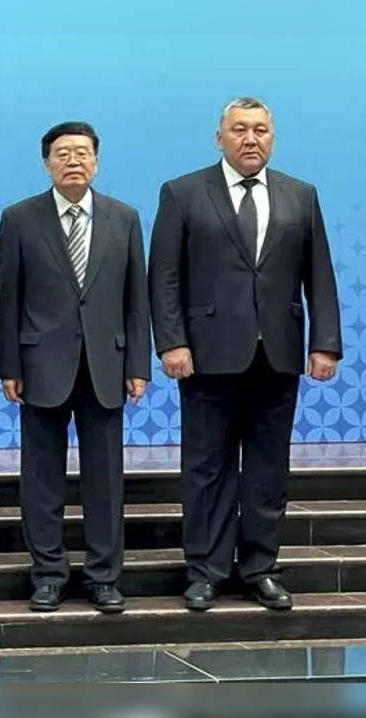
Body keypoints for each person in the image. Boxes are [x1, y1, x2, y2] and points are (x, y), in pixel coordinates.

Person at [149, 97, 341, 612]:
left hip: (278, 355)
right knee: (206, 466)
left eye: (260, 130)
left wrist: (325, 343)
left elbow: (318, 275)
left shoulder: (300, 196)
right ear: (219, 138)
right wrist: (171, 340)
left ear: (272, 138)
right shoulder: (184, 193)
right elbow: (164, 274)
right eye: (239, 130)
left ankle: (260, 567)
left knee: (267, 469)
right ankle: (206, 570)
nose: (250, 139)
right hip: (206, 354)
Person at [0, 121, 150, 614]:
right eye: (62, 154)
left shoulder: (124, 218)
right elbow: (9, 300)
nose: (73, 161)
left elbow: (136, 299)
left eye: (82, 153)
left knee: (106, 480)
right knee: (41, 478)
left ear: (97, 161)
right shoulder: (19, 218)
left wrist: (138, 364)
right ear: (47, 164)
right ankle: (48, 575)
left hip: (107, 364)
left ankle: (104, 577)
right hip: (41, 365)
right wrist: (9, 366)